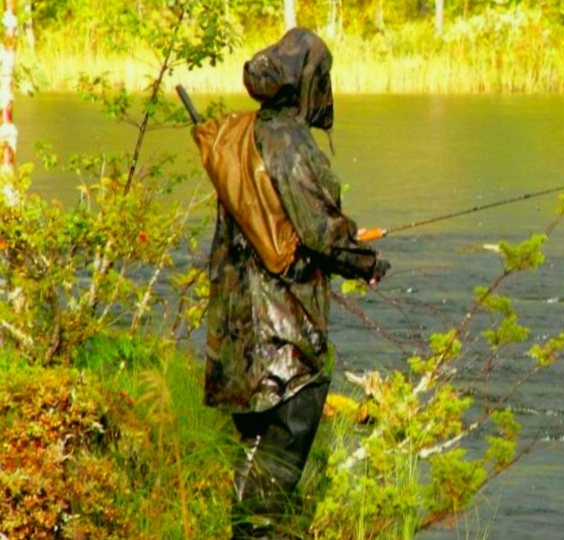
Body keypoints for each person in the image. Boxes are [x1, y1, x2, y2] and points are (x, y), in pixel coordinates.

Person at [191, 28, 389, 539]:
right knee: (270, 482)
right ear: (308, 82)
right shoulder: (289, 145)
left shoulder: (241, 134)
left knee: (255, 459)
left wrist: (345, 244)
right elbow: (322, 233)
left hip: (237, 337)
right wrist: (366, 262)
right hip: (284, 346)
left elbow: (285, 223)